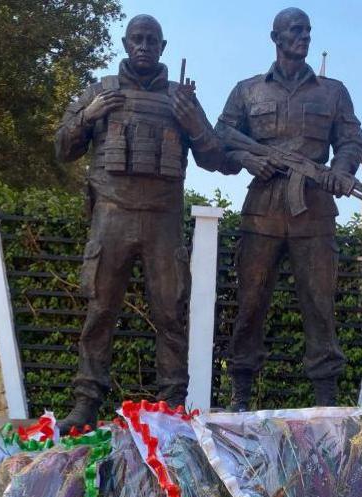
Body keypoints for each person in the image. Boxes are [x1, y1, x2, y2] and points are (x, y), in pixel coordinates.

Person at [54, 14, 226, 430]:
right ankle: (86, 402)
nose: (144, 46)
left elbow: (216, 159)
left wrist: (196, 124)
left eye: (152, 40)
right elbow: (62, 148)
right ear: (126, 43)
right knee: (101, 310)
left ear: (163, 47)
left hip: (162, 221)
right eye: (137, 39)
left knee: (170, 312)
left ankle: (172, 402)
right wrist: (88, 116)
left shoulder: (180, 99)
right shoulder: (100, 92)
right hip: (111, 215)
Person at [215, 7, 362, 410]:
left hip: (314, 211)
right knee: (250, 302)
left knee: (320, 305)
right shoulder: (247, 91)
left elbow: (352, 140)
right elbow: (219, 141)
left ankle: (326, 400)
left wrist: (341, 170)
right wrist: (248, 160)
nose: (303, 37)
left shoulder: (333, 91)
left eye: (307, 31)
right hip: (261, 209)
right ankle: (241, 395)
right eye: (295, 30)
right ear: (276, 37)